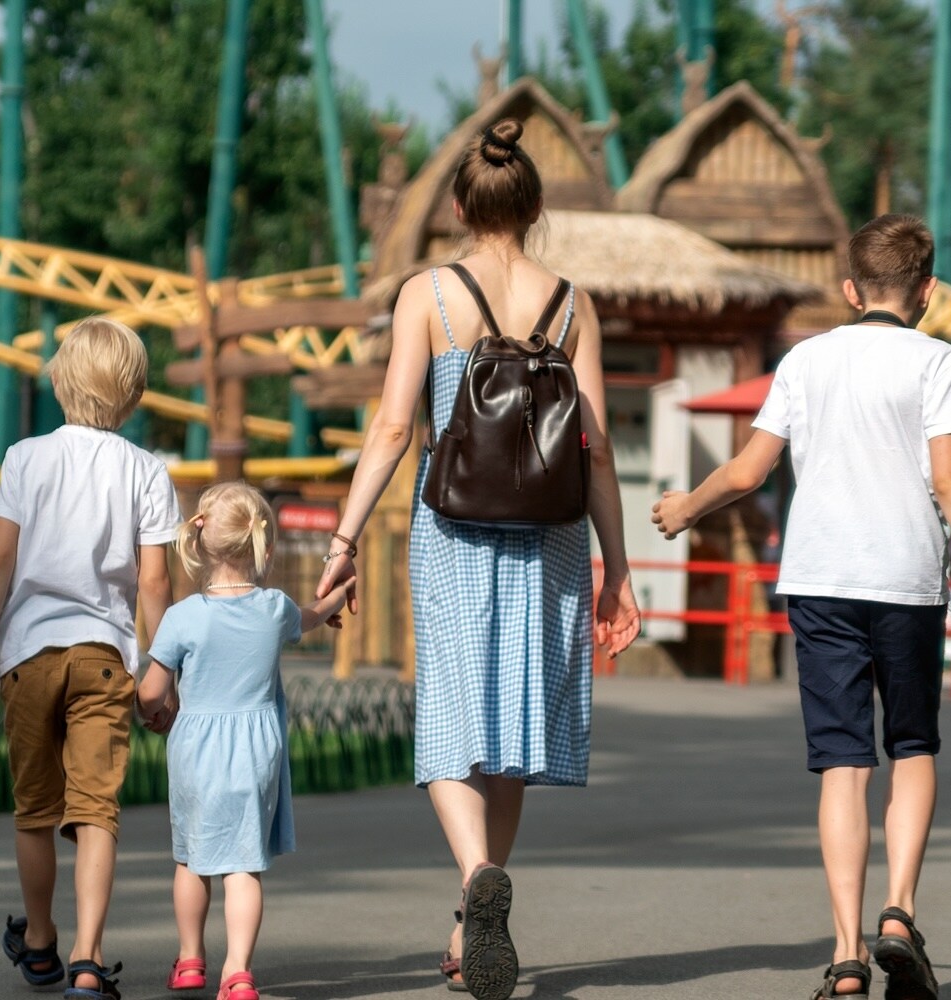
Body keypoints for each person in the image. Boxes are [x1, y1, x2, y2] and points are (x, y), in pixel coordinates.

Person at [313, 118, 642, 1000]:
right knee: (512, 728)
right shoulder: (574, 303)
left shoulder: (429, 293)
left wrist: (342, 539)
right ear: (534, 210)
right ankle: (475, 920)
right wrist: (620, 566)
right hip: (551, 534)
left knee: (454, 715)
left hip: (453, 526)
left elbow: (391, 428)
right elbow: (597, 449)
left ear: (460, 207)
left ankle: (474, 885)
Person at [652, 213, 951, 1000]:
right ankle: (899, 916)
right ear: (929, 290)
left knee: (843, 764)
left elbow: (747, 472)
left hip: (819, 580)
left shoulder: (805, 360)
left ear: (850, 290)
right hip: (907, 580)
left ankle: (846, 957)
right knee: (912, 747)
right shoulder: (939, 361)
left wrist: (686, 509)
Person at [0, 318, 177, 999]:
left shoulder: (25, 458)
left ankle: (40, 941)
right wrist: (160, 668)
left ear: (57, 382)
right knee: (94, 811)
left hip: (29, 654)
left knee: (35, 808)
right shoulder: (147, 471)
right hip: (105, 658)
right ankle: (89, 959)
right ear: (135, 397)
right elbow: (153, 583)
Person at [140, 484, 354, 1000]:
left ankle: (191, 959)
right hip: (256, 750)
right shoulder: (273, 608)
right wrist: (338, 596)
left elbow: (151, 691)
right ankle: (238, 972)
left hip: (196, 750)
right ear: (263, 543)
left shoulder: (183, 616)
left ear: (201, 540)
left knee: (192, 858)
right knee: (242, 863)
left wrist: (154, 711)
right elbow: (311, 615)